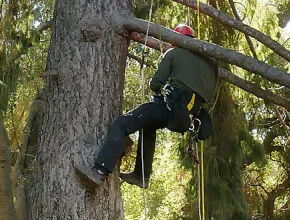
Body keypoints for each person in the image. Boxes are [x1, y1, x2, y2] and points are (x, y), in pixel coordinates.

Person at [75, 24, 218, 189]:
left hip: (174, 107)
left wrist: (157, 88)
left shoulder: (174, 53)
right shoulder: (210, 63)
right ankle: (141, 175)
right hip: (190, 113)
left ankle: (99, 171)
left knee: (122, 123)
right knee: (148, 126)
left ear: (175, 39)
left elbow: (156, 82)